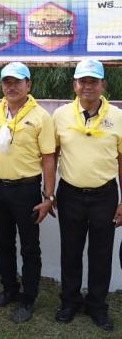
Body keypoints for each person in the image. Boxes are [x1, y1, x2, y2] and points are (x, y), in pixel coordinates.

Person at [53, 59, 122, 331]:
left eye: (93, 81)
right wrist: (49, 193)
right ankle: (69, 302)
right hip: (69, 193)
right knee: (70, 251)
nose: (87, 86)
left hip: (105, 195)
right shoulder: (61, 115)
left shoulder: (117, 116)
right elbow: (52, 155)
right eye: (83, 81)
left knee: (101, 253)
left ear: (103, 84)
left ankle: (97, 306)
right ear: (75, 85)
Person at [0, 62, 56, 323]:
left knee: (29, 247)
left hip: (26, 190)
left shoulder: (41, 116)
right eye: (7, 82)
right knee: (3, 243)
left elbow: (49, 158)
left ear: (29, 84)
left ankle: (28, 299)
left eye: (17, 82)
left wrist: (48, 196)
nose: (11, 86)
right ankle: (9, 290)